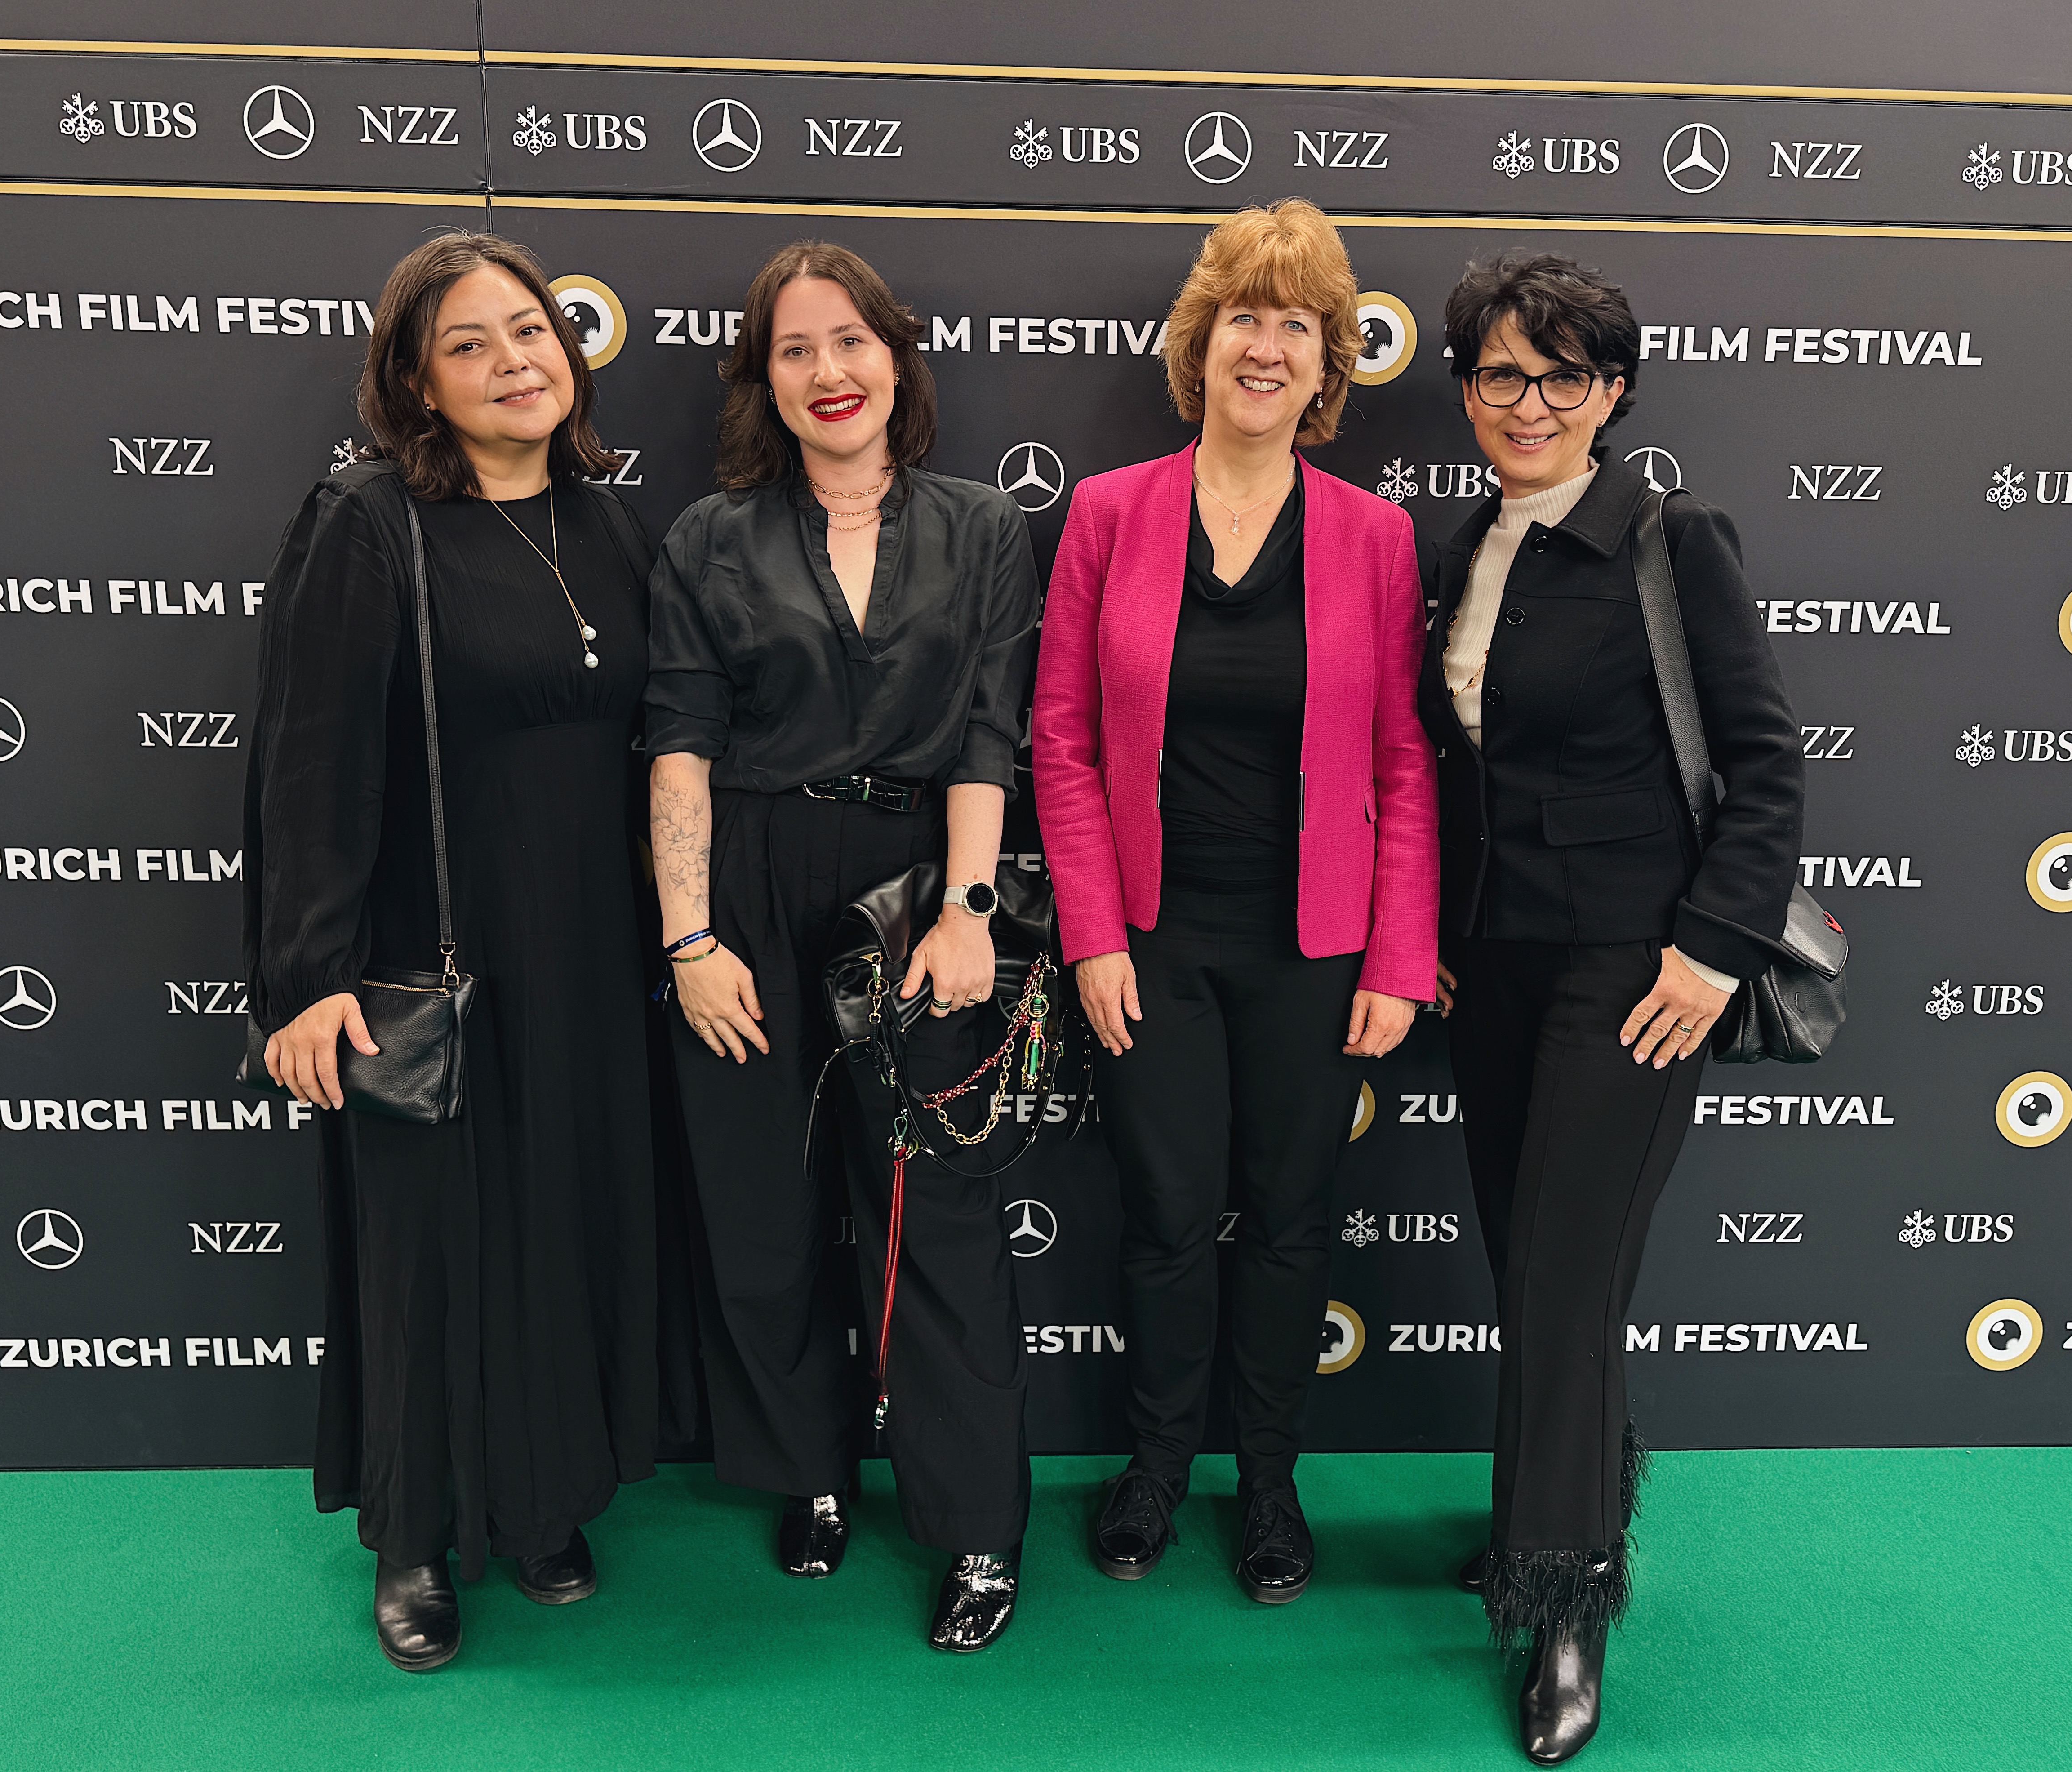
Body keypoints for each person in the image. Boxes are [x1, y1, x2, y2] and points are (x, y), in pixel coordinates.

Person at [243, 232, 665, 1672]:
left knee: (558, 1225)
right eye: (469, 344)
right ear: (417, 384)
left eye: (530, 330)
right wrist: (307, 980)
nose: (513, 362)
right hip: (427, 957)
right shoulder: (370, 523)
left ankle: (541, 1502)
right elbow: (306, 763)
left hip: (590, 959)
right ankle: (416, 1538)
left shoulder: (610, 523)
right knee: (428, 1249)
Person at [1422, 252, 1803, 1763]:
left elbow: (1764, 768)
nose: (1528, 403)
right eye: (1500, 373)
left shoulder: (1669, 537)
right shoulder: (1466, 543)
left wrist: (1710, 951)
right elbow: (1462, 769)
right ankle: (1560, 1507)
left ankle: (1566, 1596)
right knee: (1533, 1270)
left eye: (1561, 376)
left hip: (1637, 975)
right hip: (1493, 969)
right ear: (1466, 388)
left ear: (1613, 391)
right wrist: (1439, 930)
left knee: (1567, 1285)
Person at [1031, 199, 1438, 1605]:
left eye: (1297, 326)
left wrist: (1399, 955)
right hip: (1153, 938)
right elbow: (1063, 743)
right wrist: (1093, 933)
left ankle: (1269, 1481)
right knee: (1163, 1215)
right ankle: (1156, 1468)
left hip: (1315, 946)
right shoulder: (1108, 513)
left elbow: (1402, 760)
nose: (1267, 348)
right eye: (1244, 320)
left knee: (1289, 1219)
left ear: (1327, 365)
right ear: (1199, 347)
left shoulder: (1376, 537)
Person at [646, 240, 1041, 1653]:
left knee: (935, 1215)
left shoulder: (985, 527)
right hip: (747, 885)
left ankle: (979, 1522)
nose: (829, 372)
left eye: (851, 341)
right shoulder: (707, 539)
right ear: (763, 378)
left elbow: (990, 737)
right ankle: (807, 1472)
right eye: (796, 349)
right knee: (763, 1206)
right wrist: (691, 938)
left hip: (916, 885)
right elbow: (681, 748)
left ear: (896, 356)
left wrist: (969, 911)